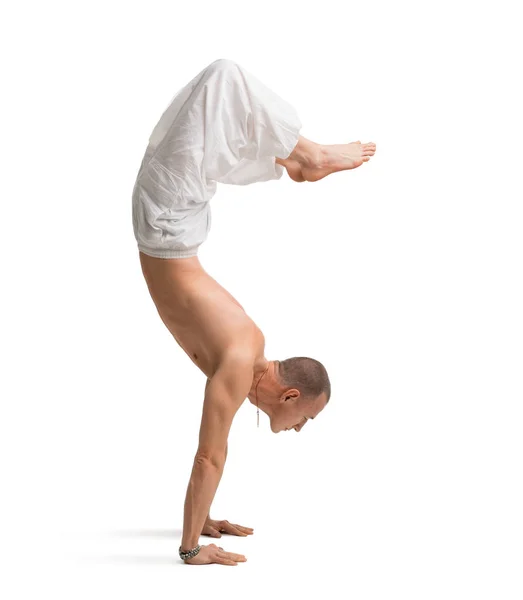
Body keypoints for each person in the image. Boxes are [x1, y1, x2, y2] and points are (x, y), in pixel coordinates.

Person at [131, 58, 376, 566]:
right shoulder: (242, 361)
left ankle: (299, 159)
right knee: (223, 79)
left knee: (224, 107)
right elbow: (210, 455)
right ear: (290, 394)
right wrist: (191, 546)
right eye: (305, 417)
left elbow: (210, 458)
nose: (298, 428)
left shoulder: (245, 359)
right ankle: (306, 156)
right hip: (170, 217)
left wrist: (203, 515)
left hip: (178, 217)